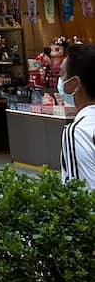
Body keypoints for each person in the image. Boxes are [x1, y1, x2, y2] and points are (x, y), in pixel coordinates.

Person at [59, 43, 95, 190]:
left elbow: (81, 196)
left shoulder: (78, 132)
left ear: (75, 84)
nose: (60, 80)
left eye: (62, 74)